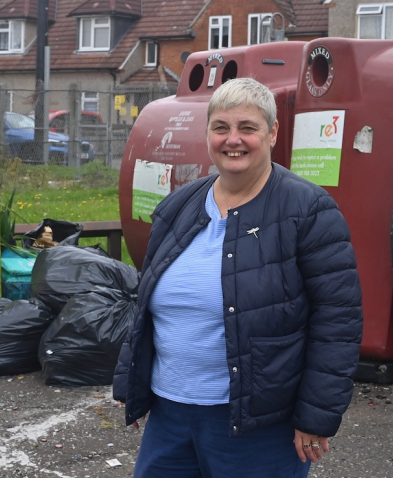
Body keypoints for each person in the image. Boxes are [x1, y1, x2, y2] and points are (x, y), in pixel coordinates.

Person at [113, 76, 363, 478]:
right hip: (171, 412)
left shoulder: (308, 210)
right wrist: (133, 384)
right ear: (208, 132)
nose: (234, 139)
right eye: (221, 128)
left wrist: (316, 415)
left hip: (258, 423)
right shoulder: (180, 206)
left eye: (248, 128)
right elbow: (146, 302)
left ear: (272, 132)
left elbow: (338, 320)